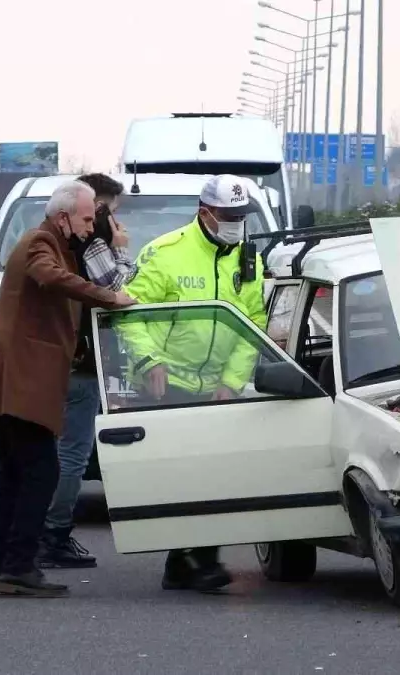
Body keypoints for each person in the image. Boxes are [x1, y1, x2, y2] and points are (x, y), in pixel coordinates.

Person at [0, 181, 135, 597]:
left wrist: (110, 264)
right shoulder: (40, 241)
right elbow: (49, 276)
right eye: (83, 217)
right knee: (42, 473)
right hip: (22, 381)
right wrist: (110, 298)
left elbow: (83, 283)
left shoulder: (65, 246)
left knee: (15, 476)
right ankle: (19, 568)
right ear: (62, 217)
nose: (88, 224)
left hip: (20, 381)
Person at [119, 174, 267, 592]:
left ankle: (186, 563)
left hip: (216, 385)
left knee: (215, 472)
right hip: (168, 382)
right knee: (190, 474)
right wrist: (149, 361)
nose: (237, 223)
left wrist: (232, 380)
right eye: (229, 216)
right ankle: (196, 562)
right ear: (205, 214)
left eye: (242, 216)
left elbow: (251, 324)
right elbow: (130, 313)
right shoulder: (166, 254)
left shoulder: (246, 259)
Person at [36, 172, 136, 569]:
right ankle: (53, 534)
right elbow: (119, 289)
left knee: (56, 454)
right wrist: (123, 249)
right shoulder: (93, 244)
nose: (109, 224)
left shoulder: (62, 242)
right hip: (78, 365)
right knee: (72, 455)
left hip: (62, 360)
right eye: (107, 215)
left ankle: (42, 531)